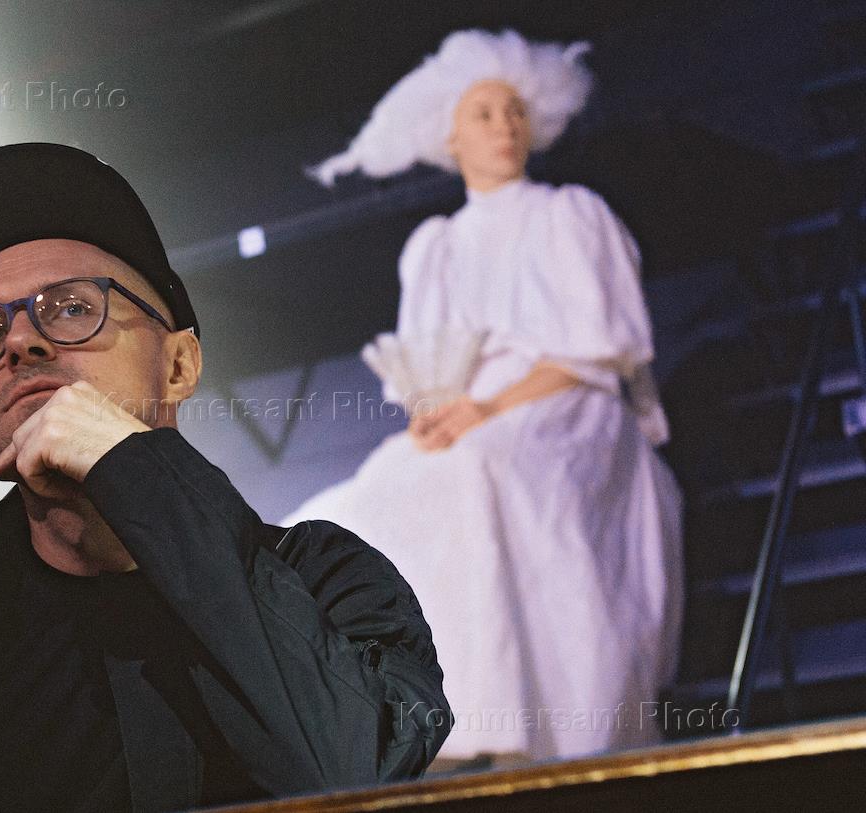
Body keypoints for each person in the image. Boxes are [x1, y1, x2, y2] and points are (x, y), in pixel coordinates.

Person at [0, 143, 449, 811]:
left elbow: (357, 773)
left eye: (73, 307)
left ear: (179, 365)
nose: (19, 340)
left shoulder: (329, 581)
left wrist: (132, 467)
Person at [287, 30, 684, 762]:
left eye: (515, 112)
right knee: (370, 494)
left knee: (482, 469)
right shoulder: (435, 246)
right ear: (452, 136)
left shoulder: (570, 214)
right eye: (484, 113)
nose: (504, 126)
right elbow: (427, 366)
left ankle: (527, 725)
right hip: (468, 419)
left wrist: (491, 410)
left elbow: (597, 353)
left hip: (566, 404)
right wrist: (434, 415)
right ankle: (411, 719)